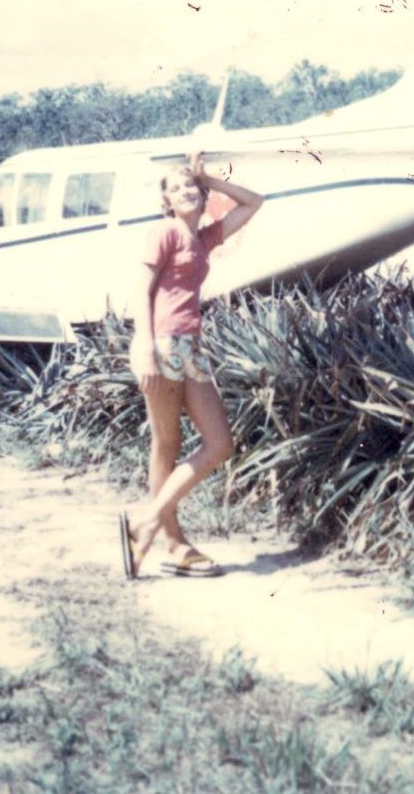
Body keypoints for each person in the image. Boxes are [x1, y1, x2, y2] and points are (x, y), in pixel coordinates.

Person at [119, 152, 262, 579]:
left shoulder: (203, 238)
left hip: (191, 348)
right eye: (176, 187)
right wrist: (142, 345)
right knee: (167, 444)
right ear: (166, 200)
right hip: (161, 345)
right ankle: (174, 544)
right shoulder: (163, 232)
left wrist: (209, 178)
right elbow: (140, 290)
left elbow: (254, 202)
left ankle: (144, 523)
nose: (186, 191)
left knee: (219, 443)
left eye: (190, 187)